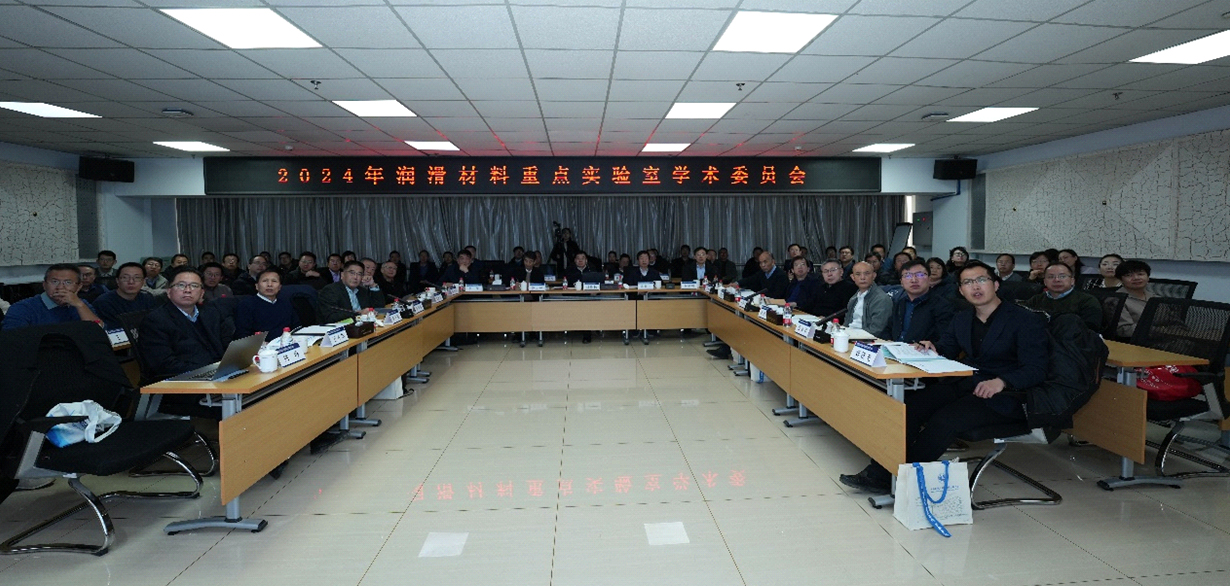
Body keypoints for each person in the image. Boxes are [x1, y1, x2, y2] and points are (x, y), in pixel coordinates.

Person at [840, 261, 1048, 494]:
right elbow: (947, 347)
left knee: (945, 420)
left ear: (996, 285)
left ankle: (904, 478)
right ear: (961, 290)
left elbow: (1036, 368)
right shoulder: (963, 318)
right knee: (908, 407)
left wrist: (1002, 381)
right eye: (968, 282)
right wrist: (932, 347)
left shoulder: (1024, 319)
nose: (975, 287)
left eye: (981, 280)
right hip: (968, 383)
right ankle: (880, 473)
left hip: (1007, 394)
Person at [137, 268, 235, 381]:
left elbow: (226, 344)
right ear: (169, 292)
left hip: (216, 374)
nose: (188, 290)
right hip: (181, 381)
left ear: (202, 293)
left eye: (194, 286)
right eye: (181, 285)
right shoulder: (155, 320)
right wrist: (208, 370)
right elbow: (163, 365)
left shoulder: (211, 313)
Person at [1, 264, 102, 330]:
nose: (60, 287)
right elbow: (13, 341)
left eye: (68, 282)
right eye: (54, 282)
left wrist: (80, 305)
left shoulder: (82, 304)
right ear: (44, 285)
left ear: (79, 286)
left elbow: (99, 331)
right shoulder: (22, 308)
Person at [890, 258, 955, 343]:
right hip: (895, 348)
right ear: (901, 282)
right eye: (908, 276)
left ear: (929, 279)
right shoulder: (900, 302)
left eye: (920, 275)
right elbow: (889, 328)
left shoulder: (942, 305)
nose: (914, 280)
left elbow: (942, 337)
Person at [1023, 263, 1102, 331]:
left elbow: (1091, 329)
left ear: (1072, 281)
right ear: (1045, 282)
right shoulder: (1036, 300)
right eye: (1051, 277)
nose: (1057, 280)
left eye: (1062, 276)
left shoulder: (1087, 300)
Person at [235, 268, 300, 341]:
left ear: (280, 287)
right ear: (256, 286)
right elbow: (242, 334)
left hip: (287, 344)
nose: (269, 285)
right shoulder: (246, 305)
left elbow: (297, 328)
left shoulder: (287, 304)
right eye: (265, 281)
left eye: (274, 281)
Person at [93, 262, 159, 329]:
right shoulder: (104, 302)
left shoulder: (147, 297)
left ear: (144, 281)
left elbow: (155, 322)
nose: (131, 282)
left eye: (137, 278)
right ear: (117, 281)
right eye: (125, 278)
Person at [318, 260, 384, 323]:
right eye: (352, 273)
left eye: (359, 274)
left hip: (364, 325)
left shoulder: (362, 291)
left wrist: (372, 285)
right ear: (342, 275)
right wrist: (358, 314)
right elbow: (330, 316)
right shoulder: (331, 290)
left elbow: (379, 307)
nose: (355, 277)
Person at [845, 261, 893, 339]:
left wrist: (850, 337)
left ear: (874, 276)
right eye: (858, 274)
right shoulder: (854, 298)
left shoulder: (881, 299)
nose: (862, 277)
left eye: (867, 274)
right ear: (853, 277)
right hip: (849, 336)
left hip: (865, 340)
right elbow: (846, 323)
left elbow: (876, 330)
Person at [1115, 260, 1154, 339]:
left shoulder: (1155, 297)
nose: (1136, 278)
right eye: (1129, 275)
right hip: (1138, 341)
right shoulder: (1117, 300)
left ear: (1148, 277)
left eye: (1140, 274)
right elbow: (1124, 330)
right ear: (1121, 280)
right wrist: (1158, 330)